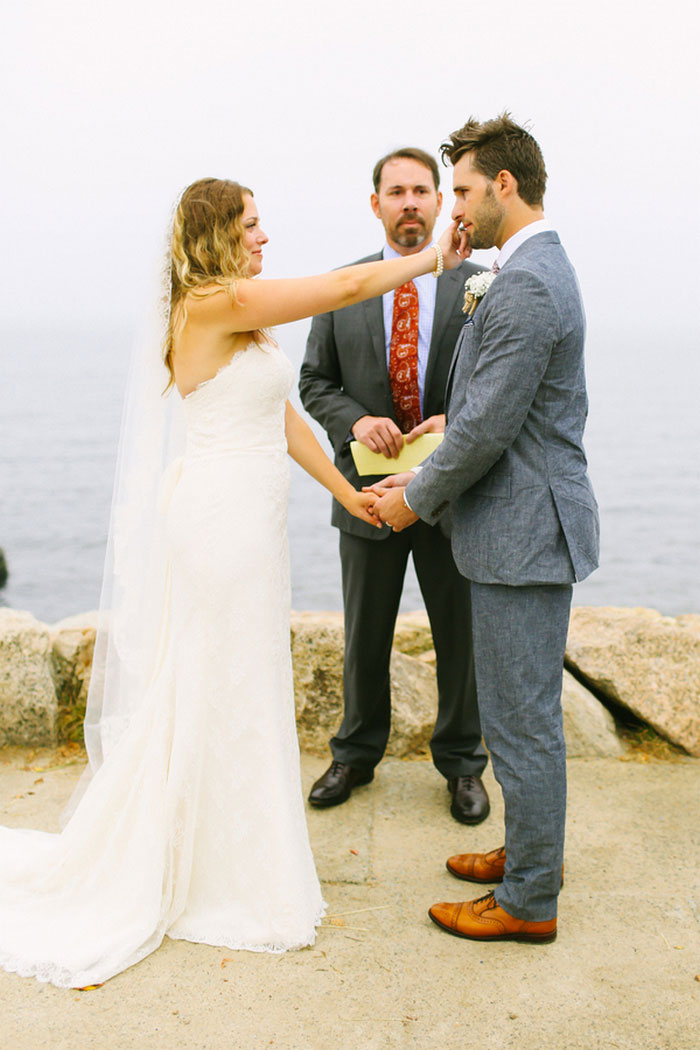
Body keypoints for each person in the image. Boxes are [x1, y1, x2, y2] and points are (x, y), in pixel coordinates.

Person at [0, 178, 464, 987]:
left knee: (241, 683)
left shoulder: (241, 321)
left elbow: (279, 415)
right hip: (217, 525)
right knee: (220, 682)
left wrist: (347, 488)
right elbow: (350, 284)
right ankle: (210, 873)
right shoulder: (210, 305)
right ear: (217, 233)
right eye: (252, 225)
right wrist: (431, 258)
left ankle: (229, 852)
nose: (264, 237)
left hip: (250, 525)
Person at [370, 115, 599, 943]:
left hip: (523, 534)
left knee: (520, 723)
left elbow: (488, 430)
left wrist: (411, 500)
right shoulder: (520, 269)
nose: (453, 207)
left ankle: (531, 900)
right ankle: (533, 853)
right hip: (521, 527)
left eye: (462, 189)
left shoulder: (531, 282)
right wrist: (421, 462)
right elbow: (479, 413)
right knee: (520, 715)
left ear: (504, 184)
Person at [299, 149, 489, 824]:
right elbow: (313, 384)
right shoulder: (341, 286)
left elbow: (494, 390)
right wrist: (357, 421)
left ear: (439, 202)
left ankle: (464, 766)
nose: (409, 202)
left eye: (420, 190)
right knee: (365, 634)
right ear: (375, 204)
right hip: (368, 498)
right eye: (395, 191)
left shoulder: (481, 283)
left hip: (449, 494)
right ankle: (354, 755)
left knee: (458, 638)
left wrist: (453, 422)